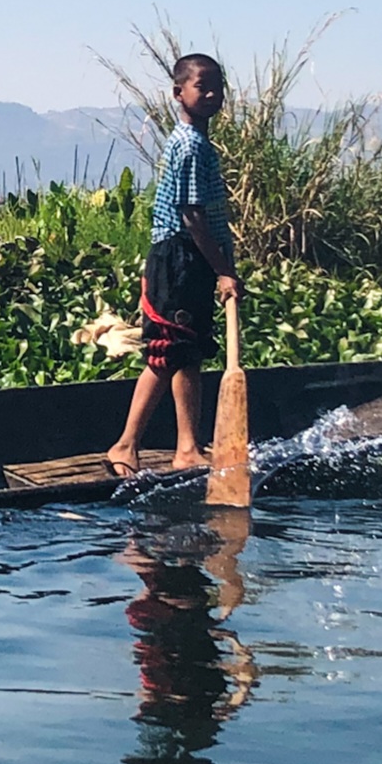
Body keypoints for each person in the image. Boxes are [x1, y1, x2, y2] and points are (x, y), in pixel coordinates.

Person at [105, 53, 240, 477]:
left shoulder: (197, 142)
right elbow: (192, 216)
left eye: (218, 86)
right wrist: (222, 270)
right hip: (180, 258)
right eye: (203, 86)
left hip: (191, 258)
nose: (213, 94)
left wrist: (220, 265)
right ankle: (125, 446)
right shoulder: (190, 144)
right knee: (166, 355)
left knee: (189, 354)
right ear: (178, 93)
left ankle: (187, 448)